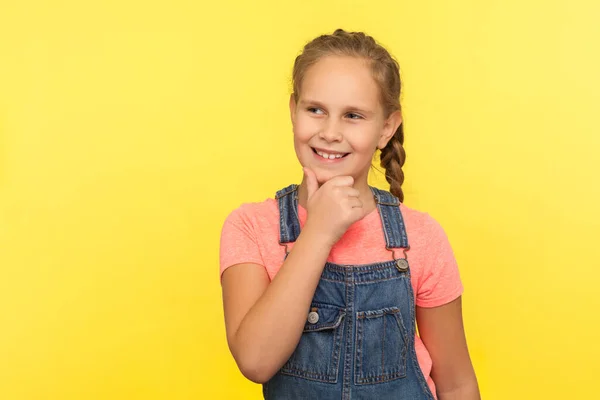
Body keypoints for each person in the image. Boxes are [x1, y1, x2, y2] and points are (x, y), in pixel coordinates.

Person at [219, 29, 480, 399]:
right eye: (316, 110)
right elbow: (255, 360)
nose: (330, 132)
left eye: (353, 115)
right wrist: (319, 232)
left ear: (386, 128)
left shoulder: (421, 237)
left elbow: (456, 383)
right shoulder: (249, 227)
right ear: (293, 111)